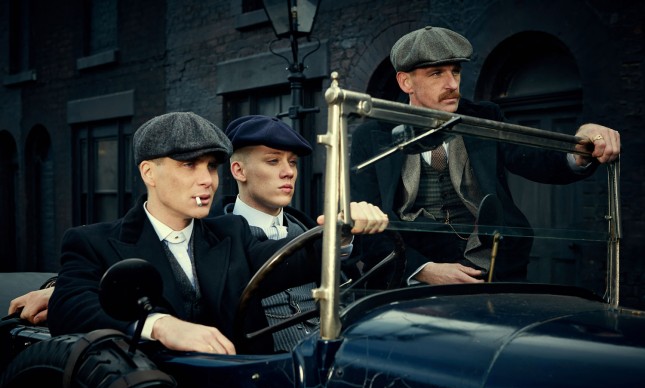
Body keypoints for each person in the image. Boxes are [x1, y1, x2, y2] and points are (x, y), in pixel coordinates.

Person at [45, 111, 388, 355]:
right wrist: (160, 325)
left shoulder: (231, 233)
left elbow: (287, 260)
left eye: (211, 166)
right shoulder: (93, 241)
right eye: (189, 165)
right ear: (149, 173)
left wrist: (340, 233)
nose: (207, 180)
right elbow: (69, 306)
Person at [350, 26, 620, 287]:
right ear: (406, 81)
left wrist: (579, 147)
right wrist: (423, 270)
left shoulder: (484, 118)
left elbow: (536, 158)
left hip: (490, 271)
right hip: (409, 280)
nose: (452, 84)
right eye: (436, 74)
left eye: (456, 71)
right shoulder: (373, 134)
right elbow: (365, 223)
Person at [222, 114, 335, 352]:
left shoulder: (305, 228)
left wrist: (344, 236)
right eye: (273, 161)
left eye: (292, 162)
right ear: (239, 170)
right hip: (265, 365)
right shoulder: (215, 239)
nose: (289, 172)